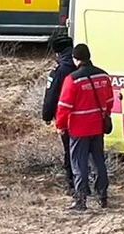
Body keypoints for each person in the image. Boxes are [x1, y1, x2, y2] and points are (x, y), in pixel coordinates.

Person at [54, 43, 114, 212]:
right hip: (97, 126)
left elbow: (64, 106)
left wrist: (60, 125)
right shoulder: (103, 76)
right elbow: (110, 101)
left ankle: (81, 200)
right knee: (98, 162)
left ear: (75, 59)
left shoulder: (73, 79)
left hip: (79, 129)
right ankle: (103, 196)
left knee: (79, 164)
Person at [42, 32, 76, 190]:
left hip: (66, 118)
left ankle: (73, 185)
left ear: (57, 52)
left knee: (70, 151)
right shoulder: (81, 65)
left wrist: (47, 115)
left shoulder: (59, 70)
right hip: (88, 116)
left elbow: (51, 95)